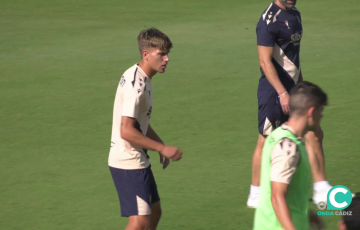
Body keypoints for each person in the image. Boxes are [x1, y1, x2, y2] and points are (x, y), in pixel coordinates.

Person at [247, 0, 331, 208]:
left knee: (314, 133)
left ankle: (321, 187)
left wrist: (300, 86)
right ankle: (255, 193)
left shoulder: (295, 15)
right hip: (274, 92)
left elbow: (294, 56)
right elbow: (265, 61)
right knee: (265, 140)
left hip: (293, 90)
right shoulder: (268, 21)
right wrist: (282, 92)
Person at [108, 28, 183, 230]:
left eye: (167, 53)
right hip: (127, 161)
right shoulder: (136, 86)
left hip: (137, 159)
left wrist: (159, 144)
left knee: (154, 211)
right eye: (161, 54)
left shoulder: (142, 77)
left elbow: (139, 125)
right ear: (145, 54)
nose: (167, 59)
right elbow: (127, 131)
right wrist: (162, 149)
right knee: (139, 222)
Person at [253, 81, 327, 230]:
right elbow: (277, 196)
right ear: (311, 112)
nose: (322, 116)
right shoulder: (288, 147)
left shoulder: (279, 136)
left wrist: (307, 215)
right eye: (320, 110)